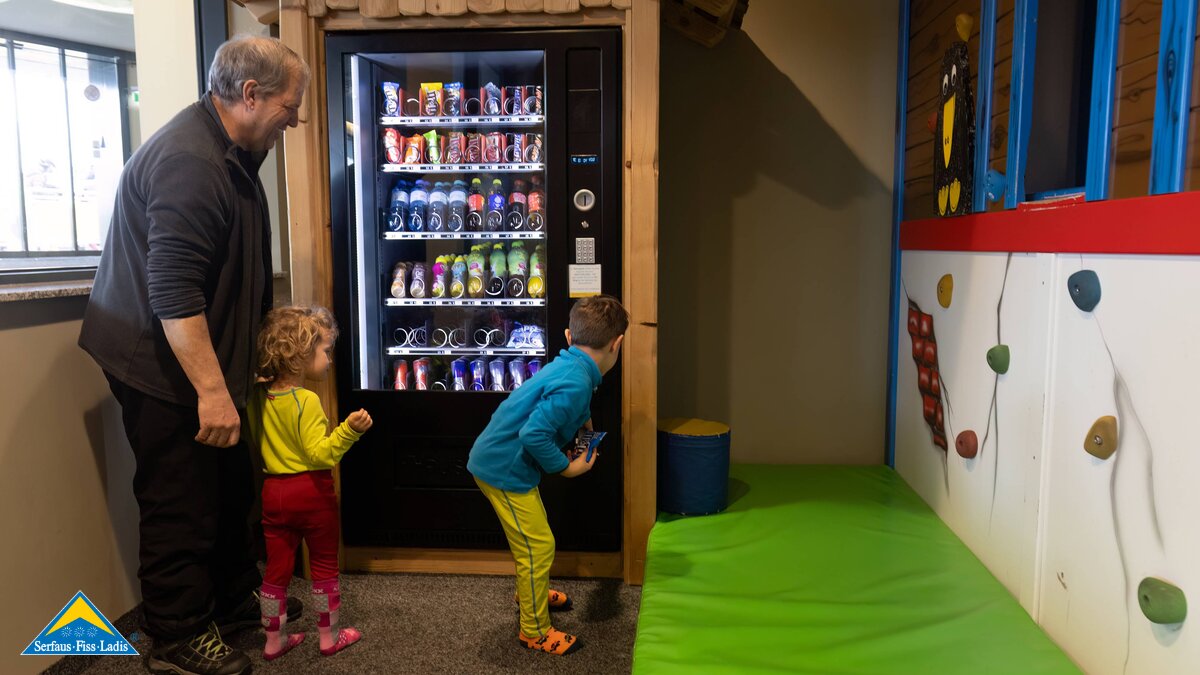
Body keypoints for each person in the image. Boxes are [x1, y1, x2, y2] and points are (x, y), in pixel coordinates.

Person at [78, 35, 309, 675]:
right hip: (159, 366)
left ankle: (233, 604)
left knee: (231, 486)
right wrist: (212, 390)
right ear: (250, 94)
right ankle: (177, 635)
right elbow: (173, 293)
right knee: (180, 498)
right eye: (291, 105)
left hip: (199, 357)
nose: (299, 119)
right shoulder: (191, 162)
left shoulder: (231, 148)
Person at [467, 295, 629, 655]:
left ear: (570, 336)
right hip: (504, 469)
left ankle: (531, 593)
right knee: (539, 546)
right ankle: (535, 630)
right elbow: (534, 434)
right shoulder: (577, 381)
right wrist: (567, 467)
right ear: (617, 345)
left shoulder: (573, 366)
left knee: (532, 540)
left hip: (505, 462)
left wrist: (585, 431)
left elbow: (575, 404)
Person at [246, 306, 370, 660]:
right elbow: (321, 455)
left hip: (273, 492)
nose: (329, 360)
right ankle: (329, 638)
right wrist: (349, 431)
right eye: (325, 351)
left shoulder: (257, 397)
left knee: (276, 570)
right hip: (311, 493)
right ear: (300, 356)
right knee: (324, 566)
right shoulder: (307, 400)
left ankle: (273, 641)